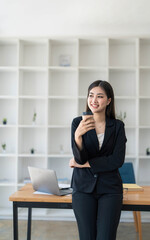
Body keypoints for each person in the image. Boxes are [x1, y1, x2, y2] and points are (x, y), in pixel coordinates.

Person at [69, 80, 127, 240]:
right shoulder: (77, 123)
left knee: (106, 237)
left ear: (109, 101)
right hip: (83, 188)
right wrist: (77, 136)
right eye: (91, 95)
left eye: (100, 96)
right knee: (86, 236)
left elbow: (117, 160)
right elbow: (79, 158)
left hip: (110, 189)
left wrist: (85, 164)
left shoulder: (117, 127)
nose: (94, 100)